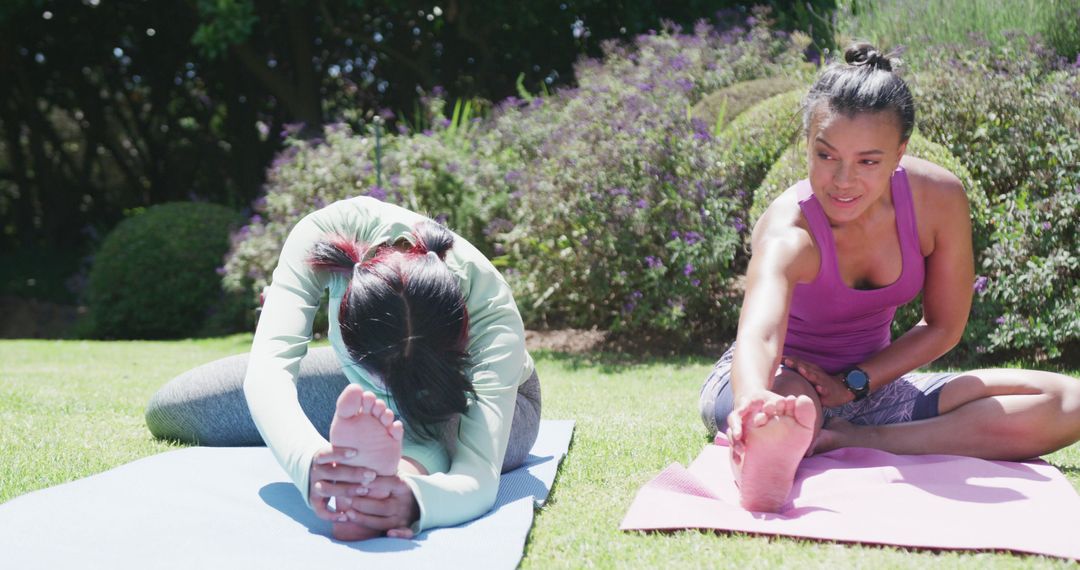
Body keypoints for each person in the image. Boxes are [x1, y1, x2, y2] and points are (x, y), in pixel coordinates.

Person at [698, 42, 1080, 512]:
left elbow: (943, 326)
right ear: (808, 145)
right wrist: (754, 400)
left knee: (1069, 401)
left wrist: (858, 383)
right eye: (826, 155)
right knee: (791, 406)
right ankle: (771, 440)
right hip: (779, 380)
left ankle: (858, 440)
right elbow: (759, 335)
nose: (842, 180)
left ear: (900, 153)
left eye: (868, 161)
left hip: (874, 389)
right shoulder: (789, 231)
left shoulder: (936, 200)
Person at [145, 196, 541, 540]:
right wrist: (312, 460)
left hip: (473, 397)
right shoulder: (325, 234)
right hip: (362, 383)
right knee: (180, 407)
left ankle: (391, 478)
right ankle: (376, 464)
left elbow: (477, 474)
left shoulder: (492, 309)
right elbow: (267, 372)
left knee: (443, 435)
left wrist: (417, 502)